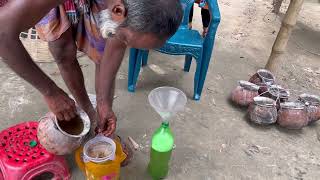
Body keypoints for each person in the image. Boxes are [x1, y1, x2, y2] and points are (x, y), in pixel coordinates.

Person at [0, 0, 182, 164]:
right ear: (118, 10)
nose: (124, 44)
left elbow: (114, 45)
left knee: (103, 46)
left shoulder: (124, 10)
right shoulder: (121, 12)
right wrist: (51, 92)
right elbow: (3, 33)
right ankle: (86, 108)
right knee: (62, 50)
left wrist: (103, 104)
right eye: (126, 39)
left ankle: (92, 116)